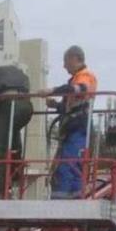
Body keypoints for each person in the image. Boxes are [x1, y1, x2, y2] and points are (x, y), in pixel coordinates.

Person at [46, 46, 98, 199]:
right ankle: (75, 201)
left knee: (68, 167)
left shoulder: (85, 76)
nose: (64, 66)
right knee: (73, 168)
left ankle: (61, 206)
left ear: (74, 58)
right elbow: (71, 104)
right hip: (73, 130)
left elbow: (79, 89)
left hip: (78, 130)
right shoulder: (77, 78)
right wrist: (56, 105)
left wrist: (52, 90)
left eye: (65, 61)